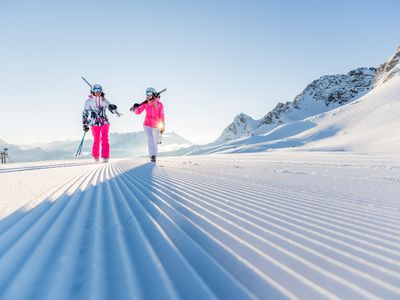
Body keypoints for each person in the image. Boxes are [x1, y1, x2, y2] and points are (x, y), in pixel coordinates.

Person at [82, 84, 118, 163]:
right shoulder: (88, 101)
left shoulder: (104, 100)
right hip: (94, 122)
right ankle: (96, 157)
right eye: (96, 91)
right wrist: (85, 125)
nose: (98, 92)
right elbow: (85, 114)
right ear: (92, 91)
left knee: (105, 138)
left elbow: (111, 109)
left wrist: (113, 107)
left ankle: (105, 157)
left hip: (104, 121)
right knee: (96, 140)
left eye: (99, 91)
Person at [132, 87, 165, 162]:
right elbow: (138, 112)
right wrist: (136, 108)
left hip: (157, 125)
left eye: (150, 93)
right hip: (147, 125)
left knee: (155, 141)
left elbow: (162, 115)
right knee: (151, 139)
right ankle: (152, 155)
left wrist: (162, 126)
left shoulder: (160, 105)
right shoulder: (146, 104)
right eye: (147, 94)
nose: (148, 95)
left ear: (153, 94)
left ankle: (154, 156)